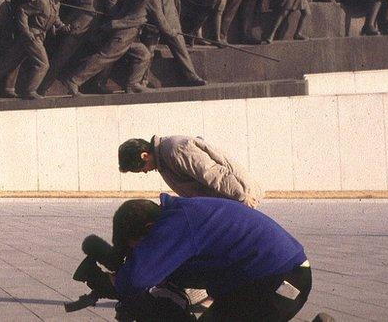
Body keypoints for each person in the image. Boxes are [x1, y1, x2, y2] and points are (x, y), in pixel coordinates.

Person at [111, 195, 311, 321]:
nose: (142, 254)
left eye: (138, 248)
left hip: (281, 281)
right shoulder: (179, 214)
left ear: (148, 229)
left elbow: (135, 280)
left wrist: (112, 281)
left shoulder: (176, 224)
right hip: (269, 277)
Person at [118, 135, 260, 207]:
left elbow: (214, 173)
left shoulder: (175, 150)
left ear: (144, 155)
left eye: (142, 169)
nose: (145, 172)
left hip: (240, 196)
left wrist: (241, 195)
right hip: (230, 199)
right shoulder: (164, 159)